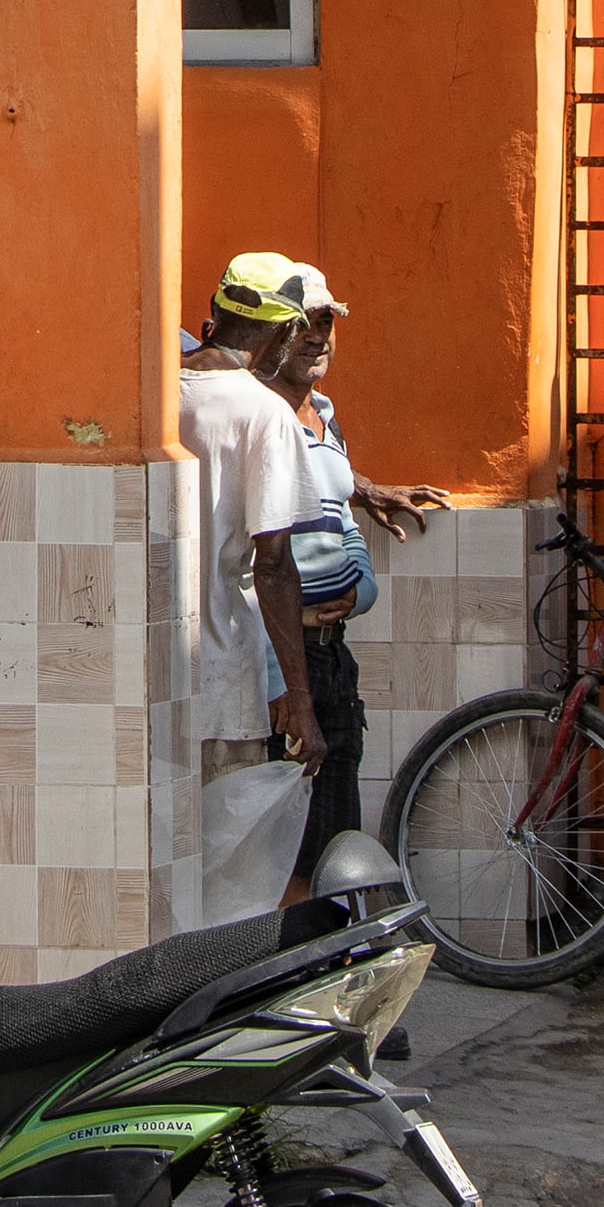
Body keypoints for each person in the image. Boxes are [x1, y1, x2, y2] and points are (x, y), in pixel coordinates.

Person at [265, 273, 442, 885]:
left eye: (325, 323)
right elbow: (245, 554)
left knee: (337, 842)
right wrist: (285, 671)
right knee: (290, 855)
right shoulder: (259, 417)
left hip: (333, 663)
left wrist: (369, 493)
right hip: (286, 670)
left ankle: (332, 961)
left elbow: (331, 498)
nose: (316, 337)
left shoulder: (324, 415)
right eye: (300, 325)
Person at [178, 260, 320, 912]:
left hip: (147, 681)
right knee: (221, 879)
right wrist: (301, 700)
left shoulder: (153, 394)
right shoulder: (265, 413)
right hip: (220, 679)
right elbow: (273, 566)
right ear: (281, 333)